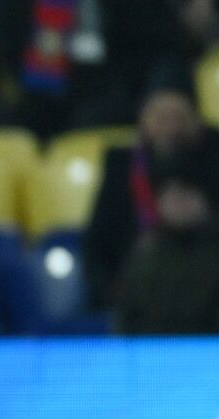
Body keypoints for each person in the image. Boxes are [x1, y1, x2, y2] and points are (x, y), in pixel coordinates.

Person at [84, 63, 219, 310]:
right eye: (160, 117)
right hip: (142, 295)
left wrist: (206, 218)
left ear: (196, 120)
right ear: (143, 119)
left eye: (179, 117)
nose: (170, 128)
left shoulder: (213, 159)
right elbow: (98, 243)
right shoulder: (121, 166)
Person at [115, 155, 219, 333]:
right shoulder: (144, 254)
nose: (179, 202)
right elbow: (127, 317)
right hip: (152, 355)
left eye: (187, 192)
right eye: (170, 194)